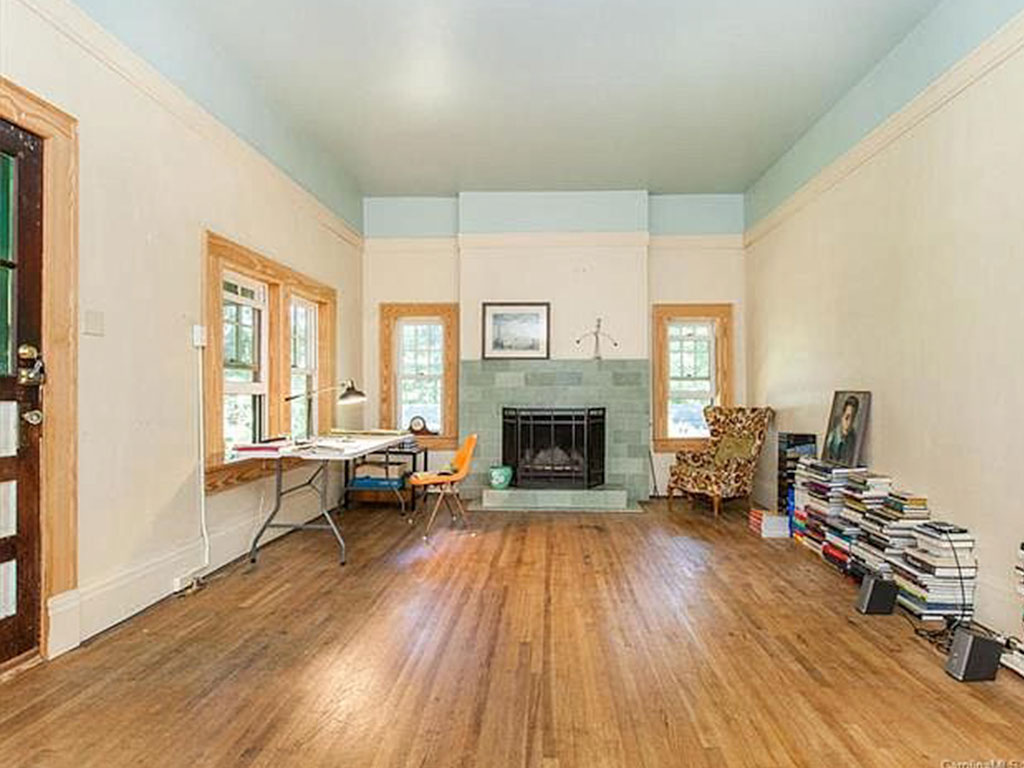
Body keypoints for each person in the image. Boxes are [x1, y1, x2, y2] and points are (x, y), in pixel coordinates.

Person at [824, 395, 860, 466]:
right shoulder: (831, 438)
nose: (849, 423)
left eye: (852, 419)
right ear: (842, 416)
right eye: (847, 418)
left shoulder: (853, 437)